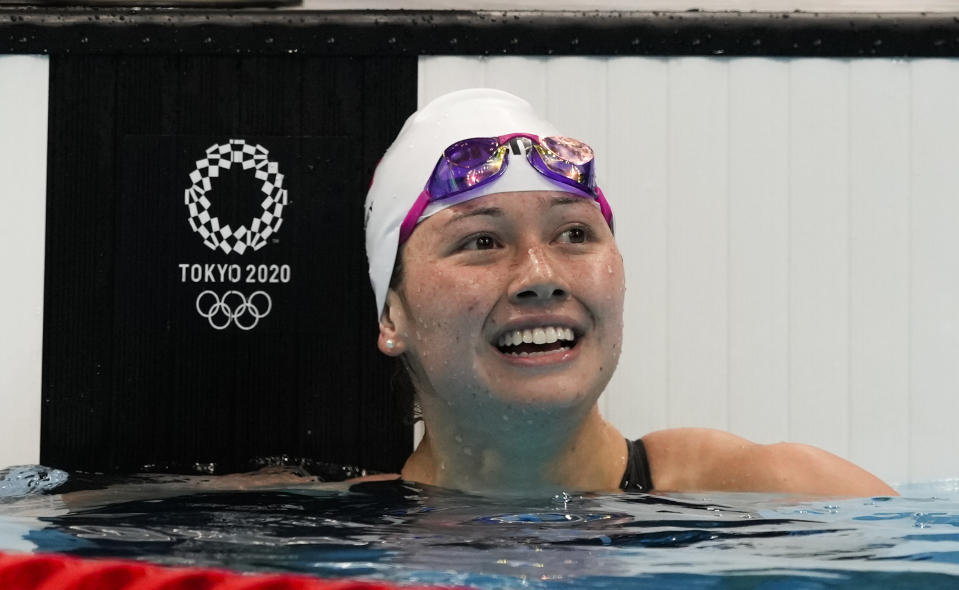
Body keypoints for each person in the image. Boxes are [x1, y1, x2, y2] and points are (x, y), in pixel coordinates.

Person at [363, 88, 896, 497]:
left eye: (574, 234)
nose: (540, 275)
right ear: (393, 315)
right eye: (482, 241)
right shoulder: (327, 536)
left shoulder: (775, 499)